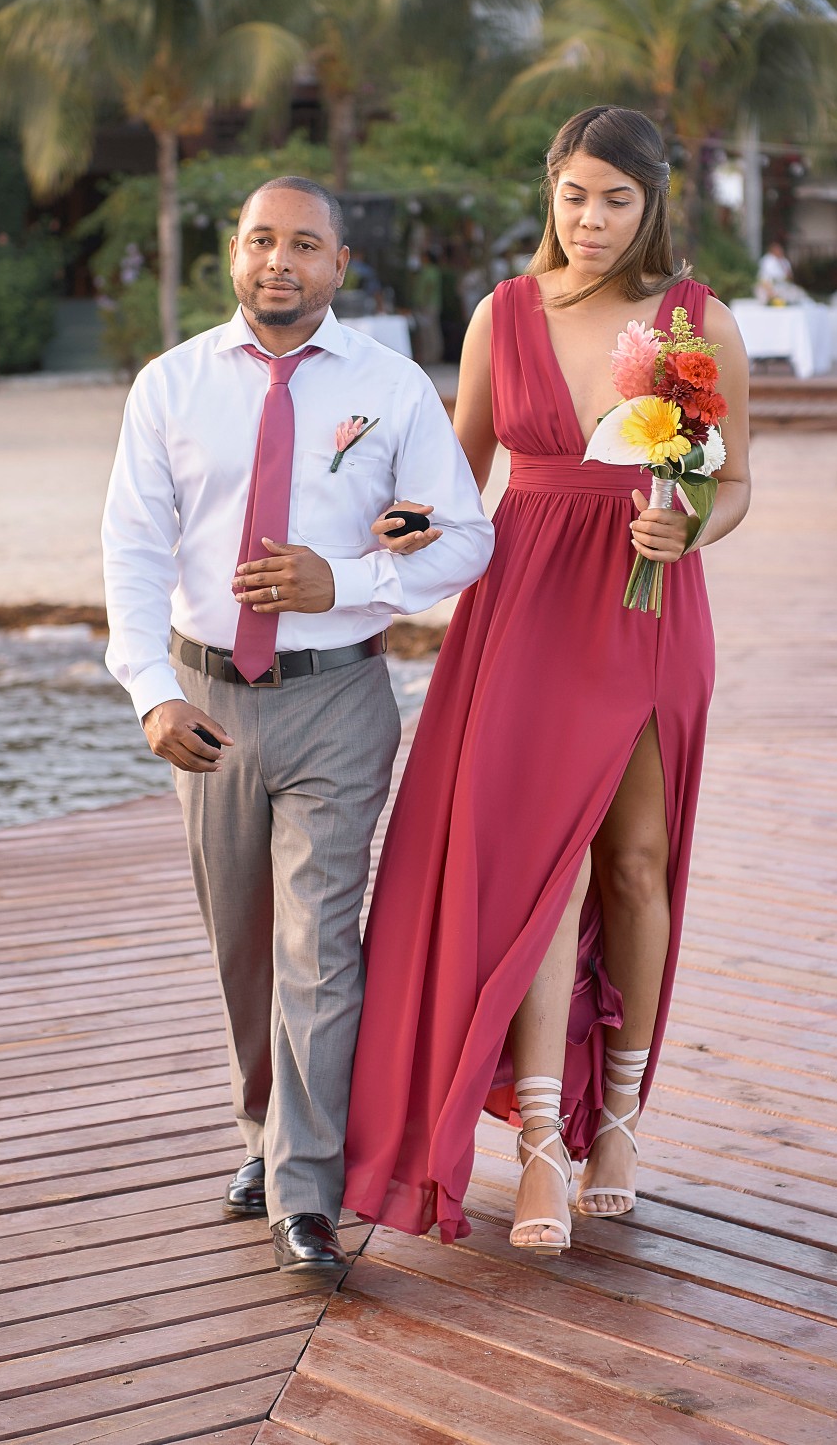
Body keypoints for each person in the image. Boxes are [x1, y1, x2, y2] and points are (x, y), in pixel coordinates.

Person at [343, 106, 751, 1252]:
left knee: (630, 862)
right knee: (536, 874)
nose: (590, 219)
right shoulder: (500, 315)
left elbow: (739, 484)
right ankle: (533, 1144)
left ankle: (615, 1120)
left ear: (653, 202)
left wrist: (693, 529)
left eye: (615, 199)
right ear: (551, 194)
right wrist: (396, 532)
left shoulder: (699, 323)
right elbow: (455, 475)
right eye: (574, 195)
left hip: (647, 605)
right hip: (521, 611)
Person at [102, 176, 493, 1273]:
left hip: (338, 698)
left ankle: (304, 1191)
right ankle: (263, 1132)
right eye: (261, 240)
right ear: (236, 254)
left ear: (338, 266)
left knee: (317, 944)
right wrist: (151, 693)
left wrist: (349, 580)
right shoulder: (170, 386)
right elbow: (132, 549)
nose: (280, 260)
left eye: (304, 244)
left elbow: (464, 539)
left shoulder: (392, 387)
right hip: (205, 705)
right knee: (242, 945)